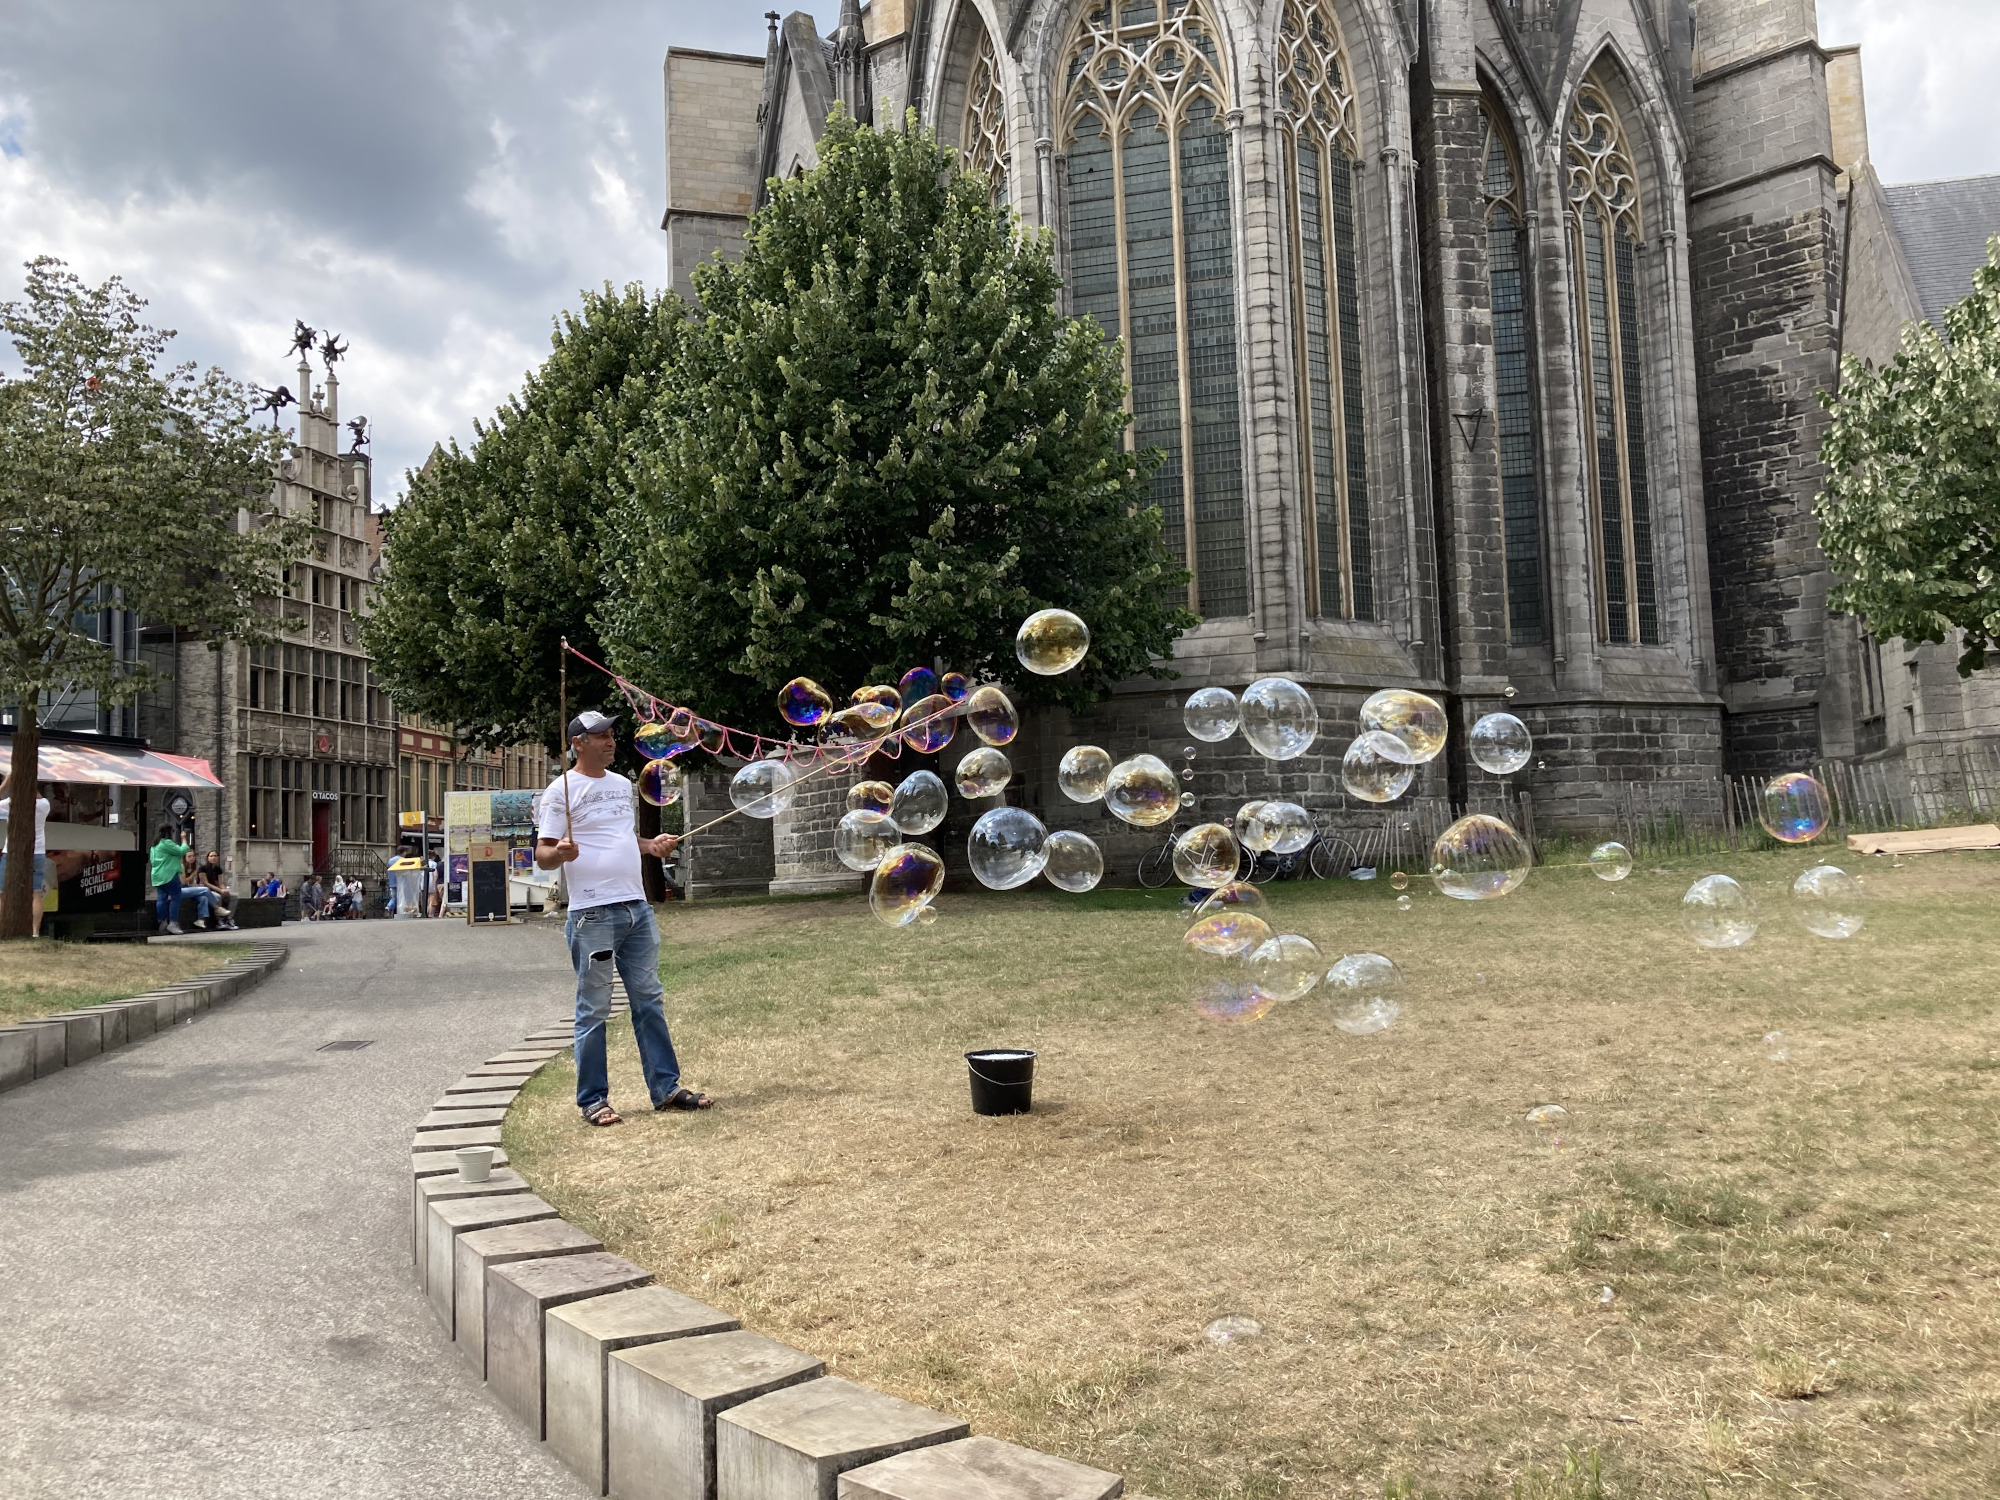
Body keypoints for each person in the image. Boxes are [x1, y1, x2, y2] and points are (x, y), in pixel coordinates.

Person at [536, 708, 710, 1126]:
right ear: (578, 744)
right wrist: (559, 853)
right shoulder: (560, 790)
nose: (611, 740)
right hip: (592, 913)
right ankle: (593, 1100)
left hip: (636, 908)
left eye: (612, 734)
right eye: (601, 735)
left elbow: (622, 837)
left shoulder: (620, 785)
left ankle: (666, 1089)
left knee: (648, 1000)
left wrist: (651, 845)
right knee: (594, 1008)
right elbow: (542, 854)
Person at [0, 770, 51, 935]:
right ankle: (35, 932)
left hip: (12, 852)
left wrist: (6, 781)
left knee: (2, 893)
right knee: (36, 893)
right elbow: (36, 794)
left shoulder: (12, 803)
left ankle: (2, 930)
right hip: (37, 852)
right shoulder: (45, 805)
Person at [150, 824, 196, 934]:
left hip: (157, 875)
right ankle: (173, 923)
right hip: (169, 874)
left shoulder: (154, 846)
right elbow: (182, 851)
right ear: (169, 832)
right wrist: (184, 838)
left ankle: (162, 923)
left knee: (161, 898)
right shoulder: (166, 843)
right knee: (176, 897)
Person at [196, 849, 240, 930]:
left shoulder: (218, 869)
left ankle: (228, 919)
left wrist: (224, 889)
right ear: (208, 858)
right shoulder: (202, 868)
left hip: (216, 889)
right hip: (206, 890)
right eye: (211, 856)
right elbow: (205, 883)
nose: (213, 857)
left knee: (234, 896)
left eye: (215, 856)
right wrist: (220, 890)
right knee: (218, 897)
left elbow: (220, 883)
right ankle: (219, 920)